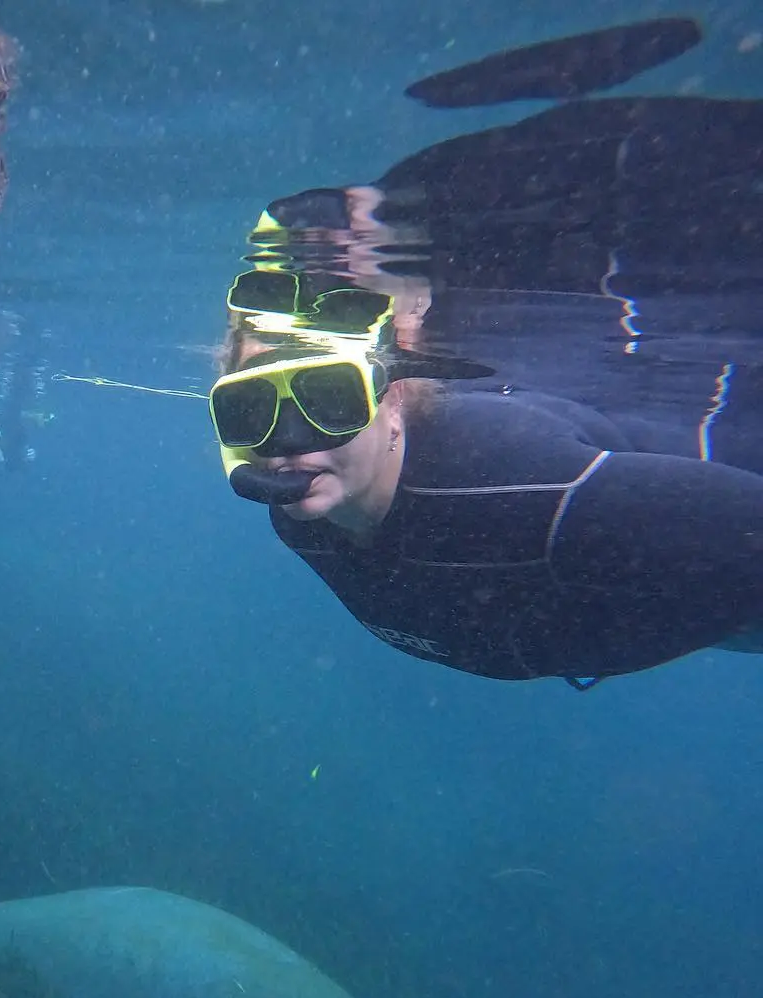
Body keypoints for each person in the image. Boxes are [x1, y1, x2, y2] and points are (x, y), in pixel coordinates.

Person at [209, 192, 763, 688]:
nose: (288, 443)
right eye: (251, 409)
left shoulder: (514, 475)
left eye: (331, 400)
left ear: (394, 403)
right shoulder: (300, 509)